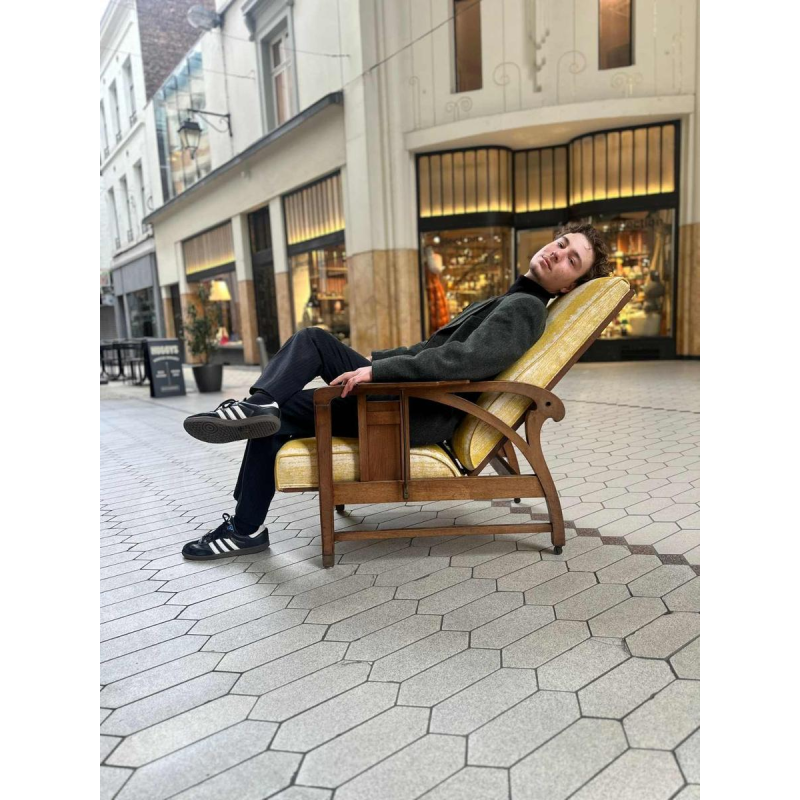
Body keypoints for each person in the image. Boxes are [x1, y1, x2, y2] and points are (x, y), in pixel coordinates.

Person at [180, 223, 610, 560]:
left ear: (568, 285)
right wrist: (374, 365)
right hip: (412, 394)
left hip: (420, 411)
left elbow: (464, 364)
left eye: (572, 260)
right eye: (561, 244)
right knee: (283, 403)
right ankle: (256, 436)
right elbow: (433, 349)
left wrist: (379, 372)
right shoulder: (514, 297)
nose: (558, 254)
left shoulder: (524, 308)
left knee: (301, 364)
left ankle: (246, 519)